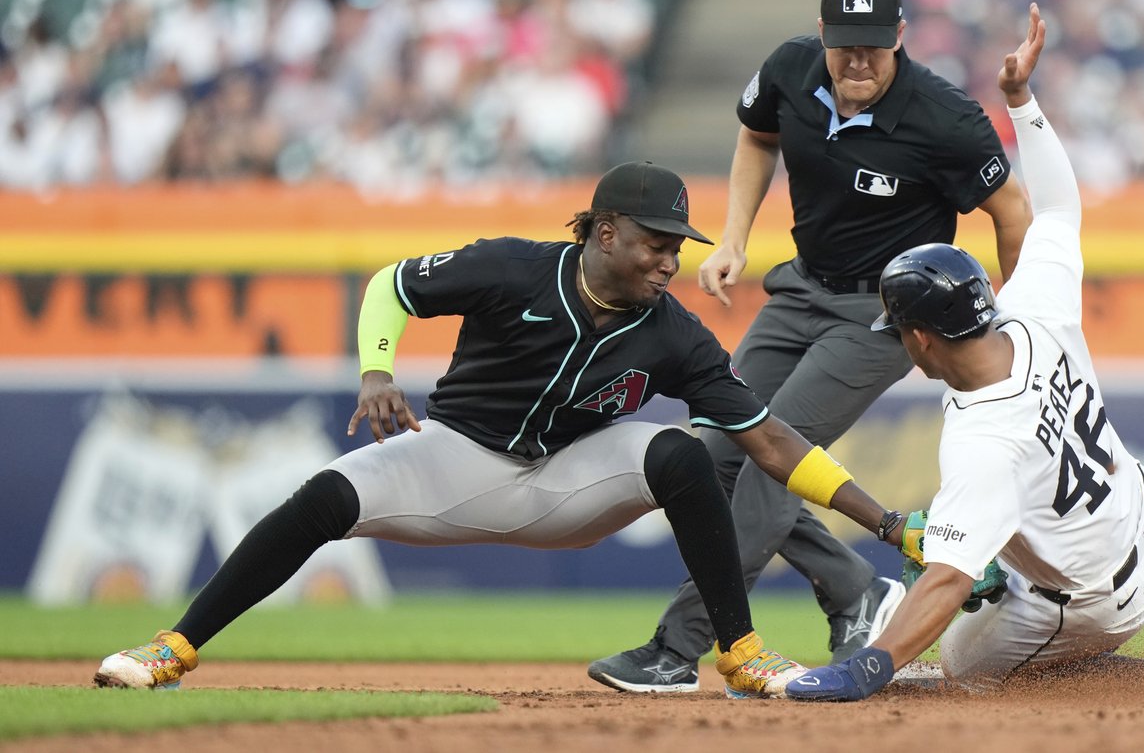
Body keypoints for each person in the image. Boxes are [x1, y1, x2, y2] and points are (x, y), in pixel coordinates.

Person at [93, 161, 918, 699]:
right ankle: (174, 645)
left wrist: (884, 522)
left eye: (678, 248)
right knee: (321, 498)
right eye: (656, 245)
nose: (671, 263)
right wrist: (376, 369)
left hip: (572, 484)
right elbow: (389, 285)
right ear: (604, 232)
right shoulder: (515, 266)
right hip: (456, 462)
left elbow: (771, 442)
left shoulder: (674, 333)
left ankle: (736, 650)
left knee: (683, 451)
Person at [589, 0, 1031, 693]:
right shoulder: (792, 69)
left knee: (776, 460)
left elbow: (1012, 212)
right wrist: (732, 238)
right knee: (713, 456)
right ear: (823, 33)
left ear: (900, 36)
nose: (857, 61)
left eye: (873, 45)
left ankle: (679, 645)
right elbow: (756, 136)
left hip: (882, 316)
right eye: (843, 44)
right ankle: (855, 589)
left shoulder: (944, 117)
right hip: (800, 290)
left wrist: (1014, 318)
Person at [785, 4, 1144, 701]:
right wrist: (1021, 101)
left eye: (902, 330)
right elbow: (1058, 210)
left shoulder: (984, 441)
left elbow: (946, 579)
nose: (903, 343)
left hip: (1094, 596)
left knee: (968, 670)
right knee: (992, 562)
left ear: (924, 337)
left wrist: (864, 668)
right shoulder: (1032, 308)